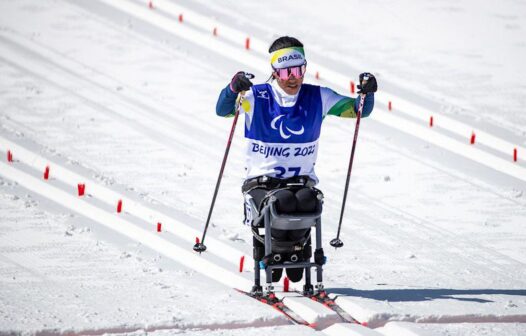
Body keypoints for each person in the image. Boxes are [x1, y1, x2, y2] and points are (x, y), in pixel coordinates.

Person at [215, 36, 377, 285]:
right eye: (286, 71)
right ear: (275, 71)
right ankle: (274, 256)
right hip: (262, 185)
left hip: (301, 184)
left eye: (299, 69)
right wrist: (233, 88)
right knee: (282, 202)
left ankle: (294, 255)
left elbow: (359, 110)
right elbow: (223, 110)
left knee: (304, 200)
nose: (293, 77)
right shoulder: (258, 97)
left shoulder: (318, 97)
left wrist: (368, 93)